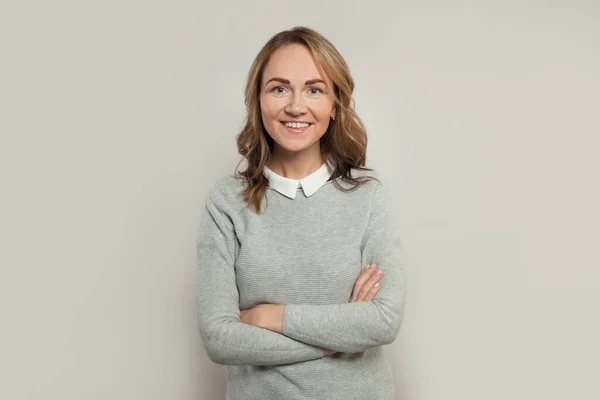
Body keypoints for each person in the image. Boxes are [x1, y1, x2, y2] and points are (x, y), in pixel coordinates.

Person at [196, 26, 406, 399]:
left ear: (335, 105)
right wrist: (336, 340)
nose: (296, 105)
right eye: (279, 88)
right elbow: (219, 338)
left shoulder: (367, 197)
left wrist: (271, 317)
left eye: (314, 89)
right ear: (258, 101)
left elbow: (383, 320)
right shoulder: (227, 201)